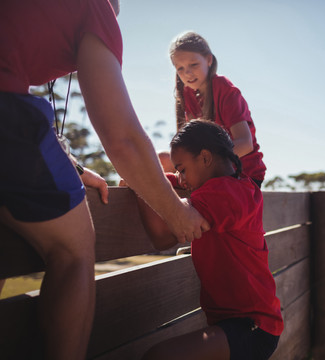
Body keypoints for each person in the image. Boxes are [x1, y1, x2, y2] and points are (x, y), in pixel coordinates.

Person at [0, 1, 209, 359]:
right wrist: (176, 213)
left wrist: (75, 169)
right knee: (74, 249)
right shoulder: (96, 8)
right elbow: (122, 139)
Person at [140, 120, 283, 360]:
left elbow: (162, 237)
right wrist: (169, 179)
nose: (181, 179)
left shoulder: (225, 194)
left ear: (205, 158)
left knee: (159, 356)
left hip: (252, 325)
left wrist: (140, 186)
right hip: (244, 321)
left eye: (182, 169)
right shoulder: (237, 187)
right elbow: (173, 184)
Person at [170, 31, 267, 188]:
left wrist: (206, 163)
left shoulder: (225, 89)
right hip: (206, 170)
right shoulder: (187, 93)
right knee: (161, 158)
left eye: (193, 65)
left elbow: (245, 143)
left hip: (243, 174)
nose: (187, 73)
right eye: (180, 68)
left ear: (208, 60)